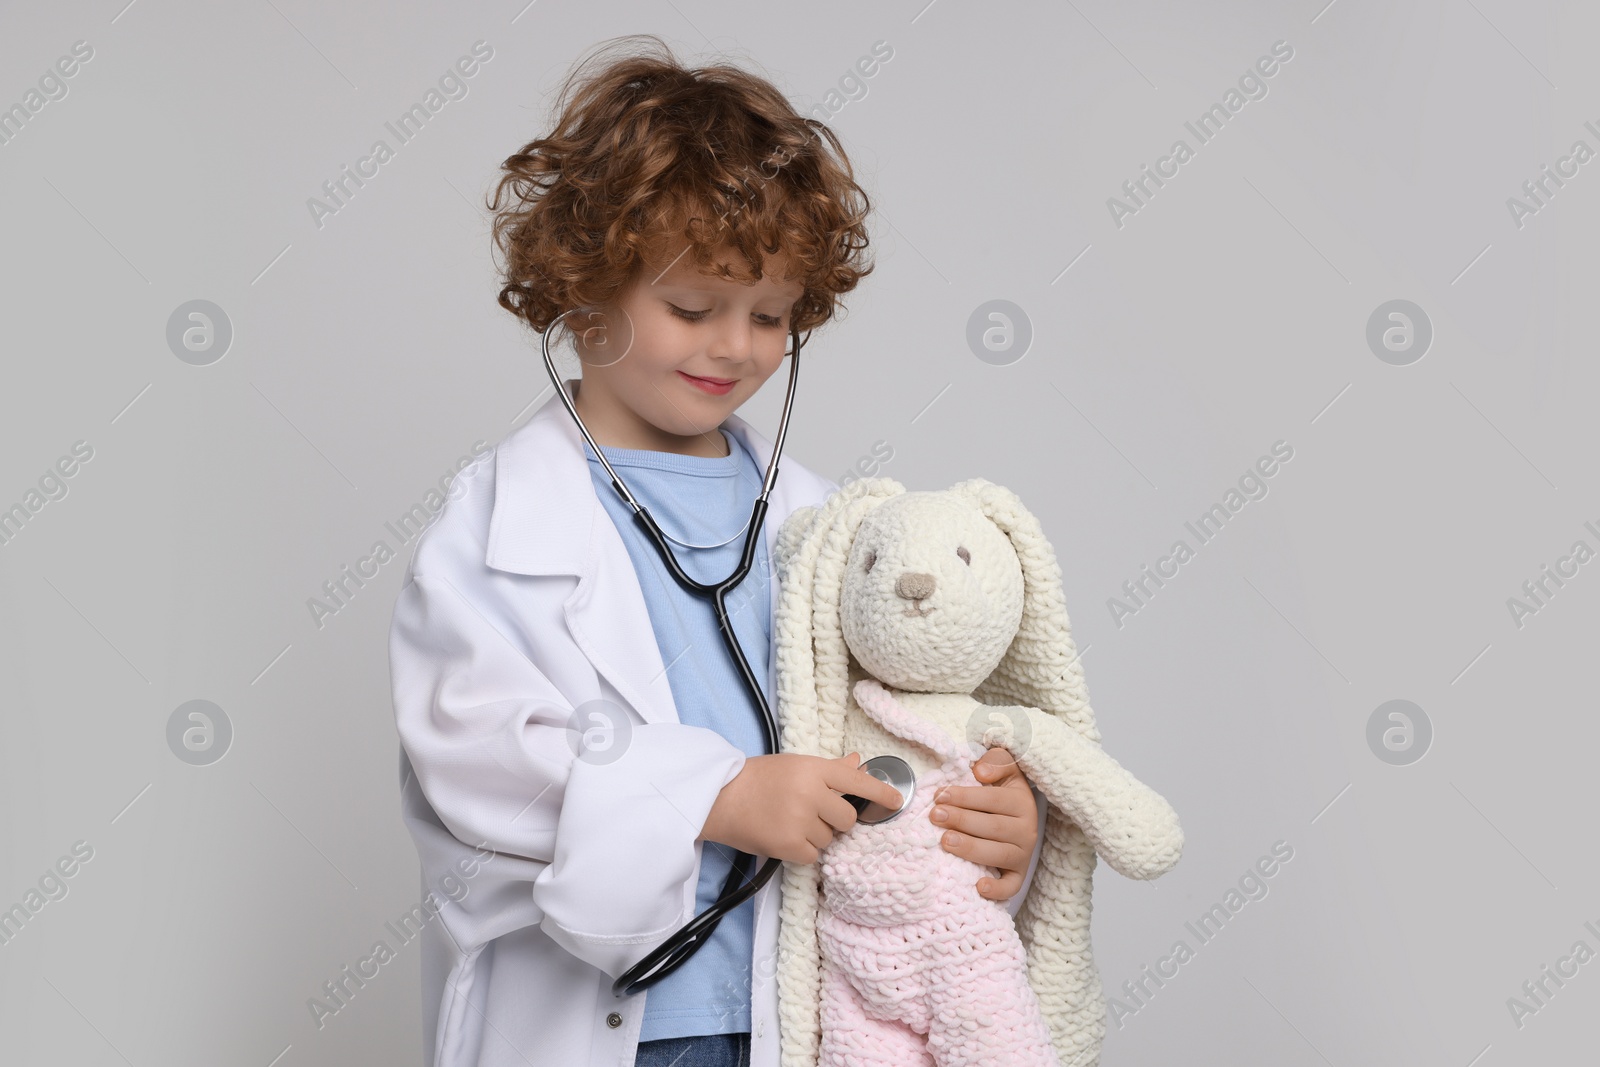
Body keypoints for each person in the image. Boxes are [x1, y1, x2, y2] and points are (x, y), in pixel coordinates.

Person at [388, 35, 1046, 1067]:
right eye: (691, 306)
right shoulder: (499, 523)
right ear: (582, 286)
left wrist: (987, 814)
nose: (734, 345)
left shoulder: (833, 528)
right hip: (609, 1018)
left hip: (809, 1008)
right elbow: (474, 761)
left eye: (771, 315)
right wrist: (712, 793)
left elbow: (896, 733)